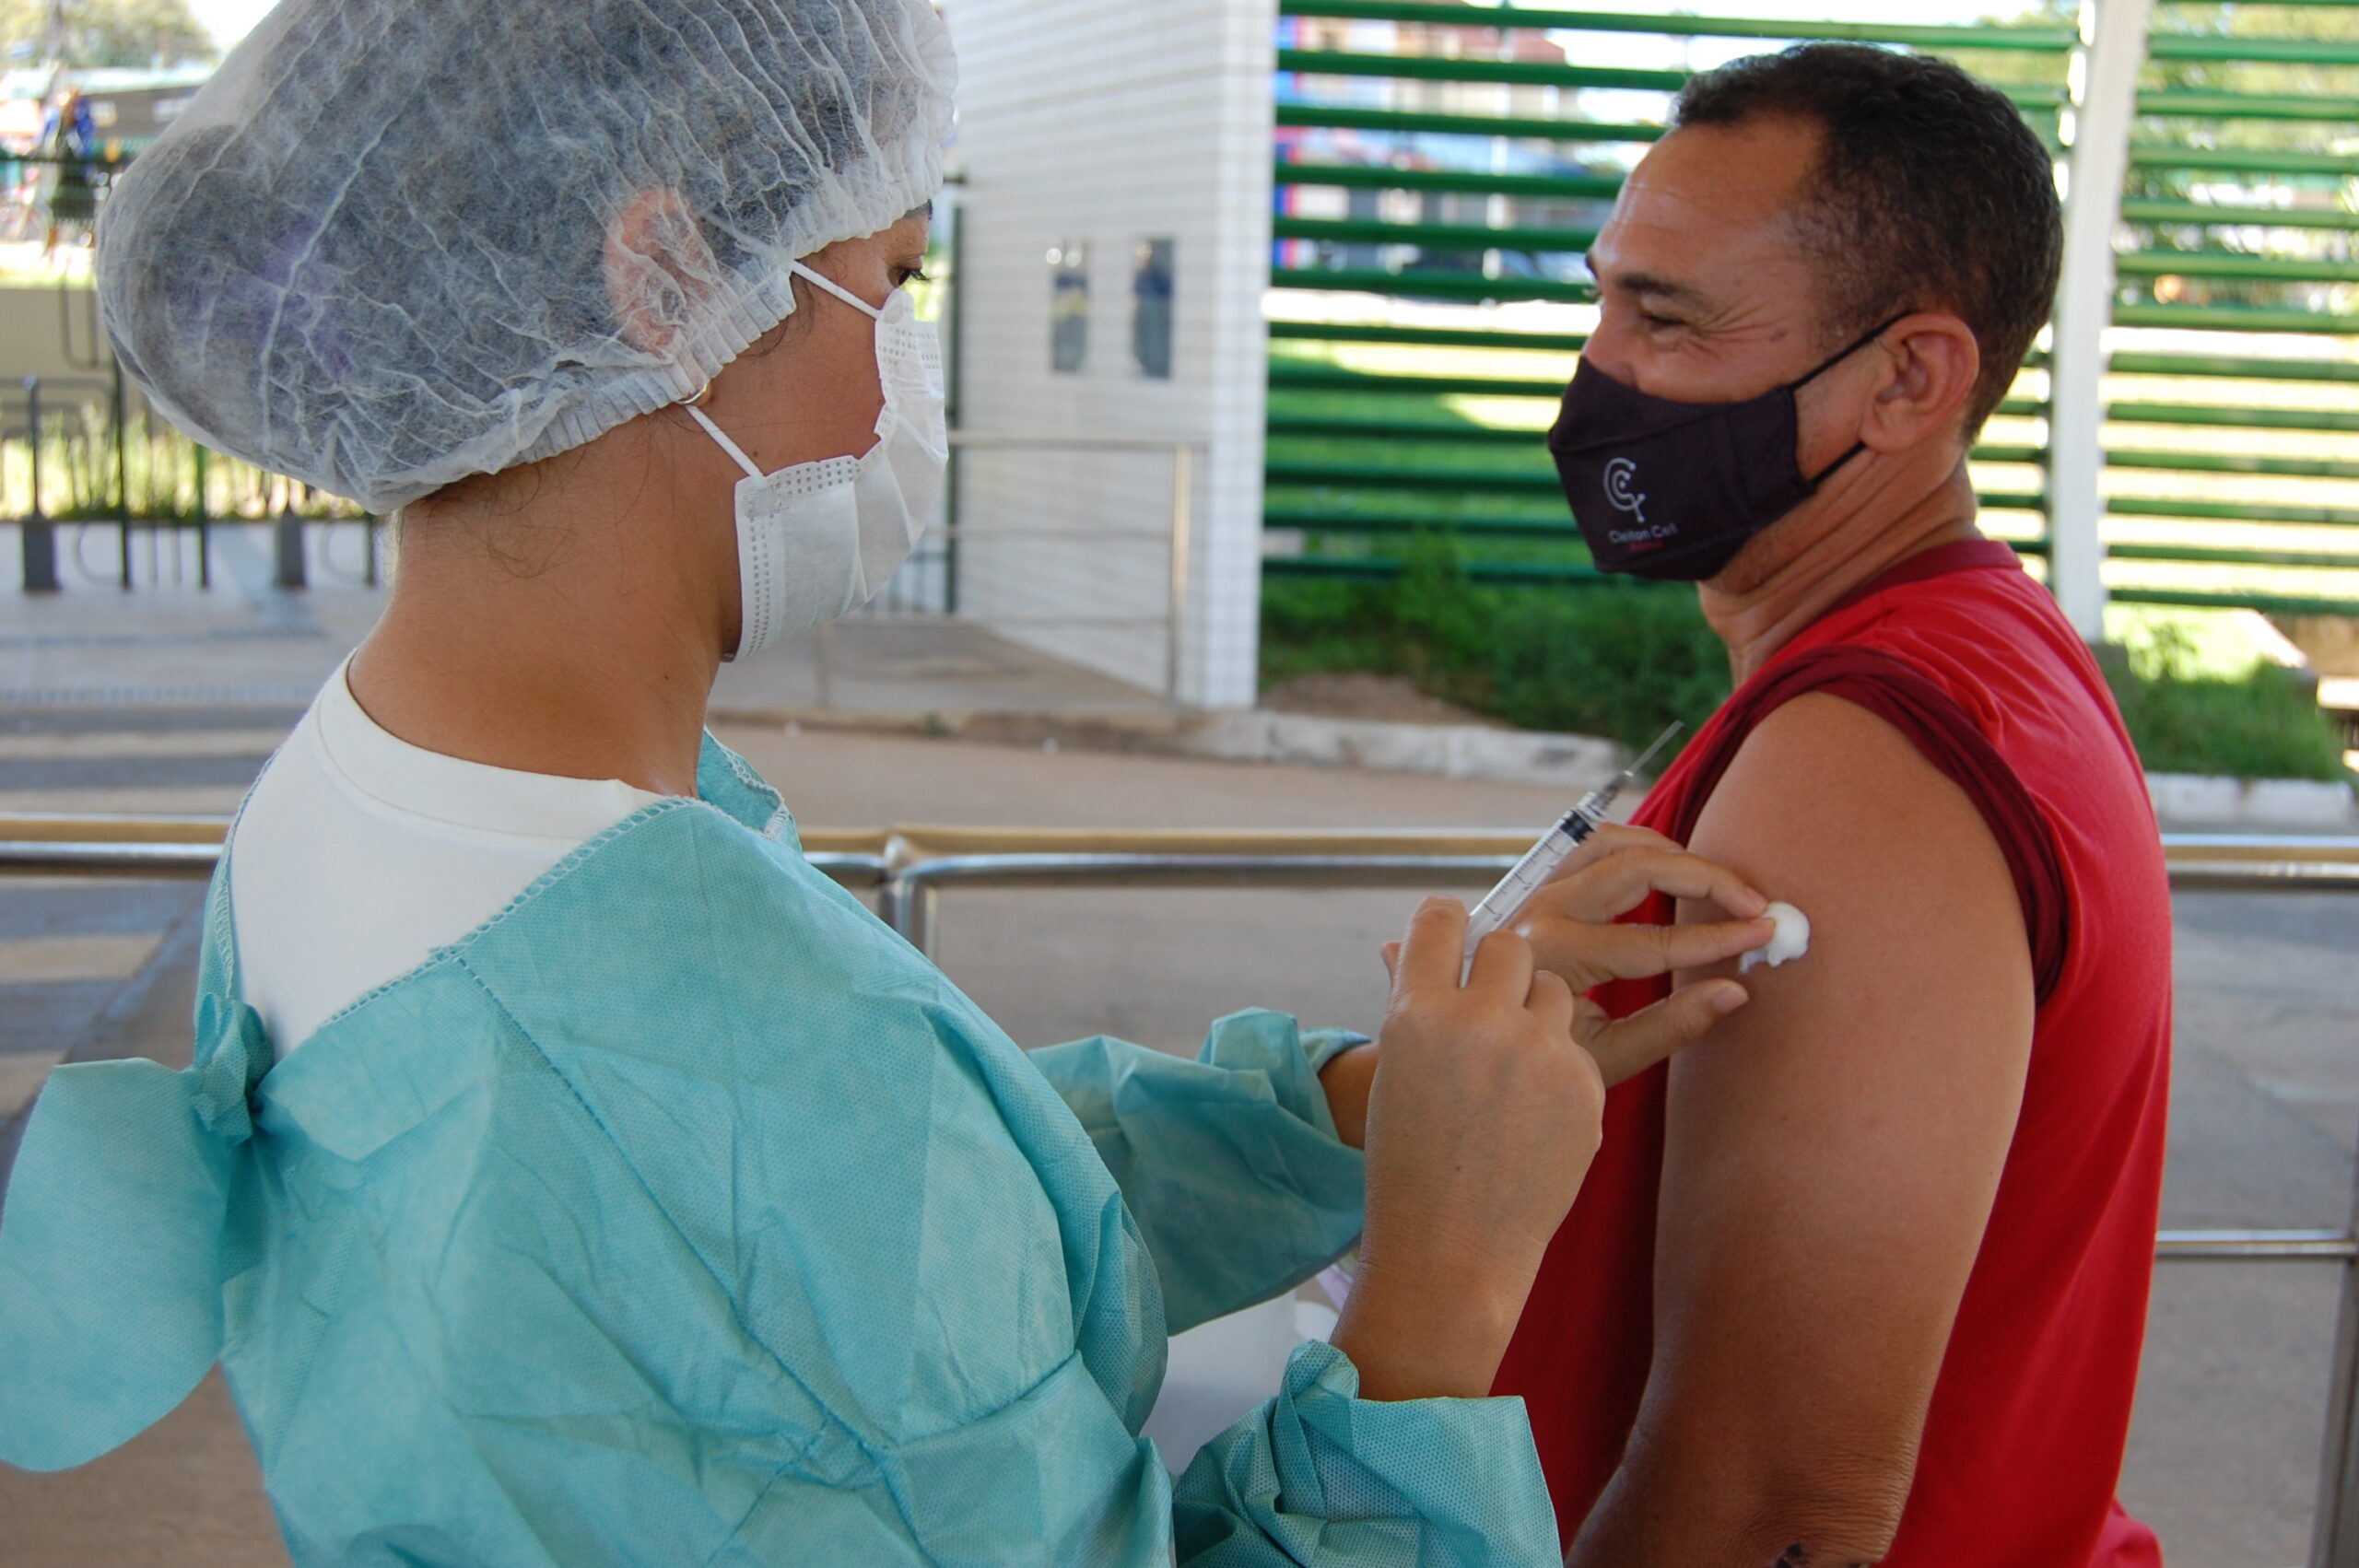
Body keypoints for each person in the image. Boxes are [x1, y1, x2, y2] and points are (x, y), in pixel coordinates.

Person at [0, 3, 1781, 1562]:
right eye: (895, 282)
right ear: (664, 280)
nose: (900, 373)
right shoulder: (687, 1047)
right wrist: (1435, 1307)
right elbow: (822, 1206)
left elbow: (933, 1242)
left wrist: (1367, 1104)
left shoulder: (385, 782)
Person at [1495, 43, 2174, 1568]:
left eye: (1666, 318)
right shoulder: (1942, 657)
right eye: (1607, 296)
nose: (1600, 371)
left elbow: (1772, 1511)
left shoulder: (1869, 750)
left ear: (1909, 380)